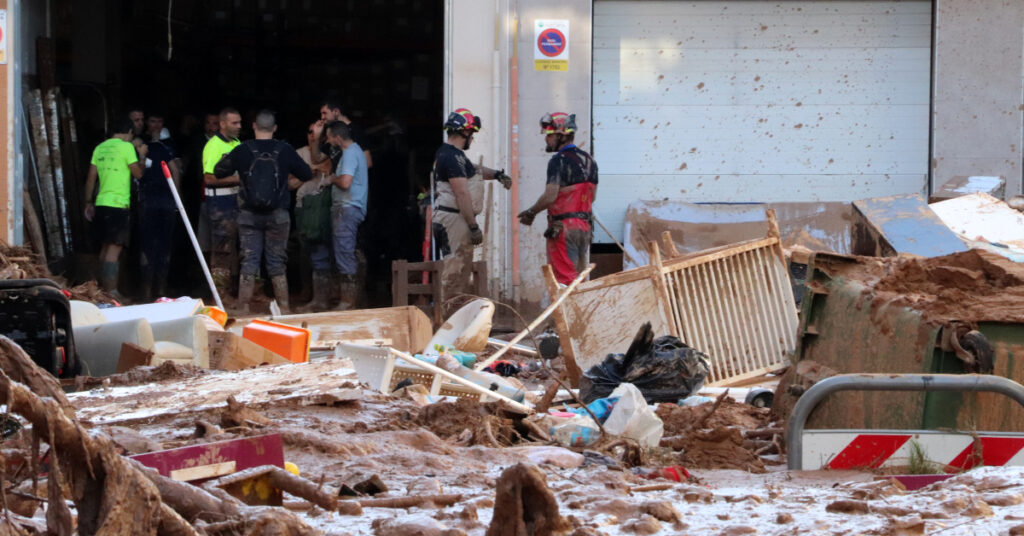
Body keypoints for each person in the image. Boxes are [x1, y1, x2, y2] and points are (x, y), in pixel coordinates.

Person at [214, 110, 312, 314]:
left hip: (248, 215)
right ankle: (284, 307)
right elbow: (306, 173)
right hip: (278, 215)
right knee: (277, 261)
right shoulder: (284, 150)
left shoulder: (242, 149)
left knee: (249, 259)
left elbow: (218, 171)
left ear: (254, 126)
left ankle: (243, 307)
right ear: (275, 128)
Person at [431, 108, 512, 300]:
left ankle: (454, 317)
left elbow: (475, 170)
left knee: (460, 271)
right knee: (454, 273)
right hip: (453, 220)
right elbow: (461, 193)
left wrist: (497, 175)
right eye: (472, 134)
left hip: (455, 219)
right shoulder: (450, 157)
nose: (472, 139)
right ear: (465, 132)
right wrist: (473, 226)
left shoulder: (455, 155)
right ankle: (449, 320)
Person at [518, 112, 598, 285]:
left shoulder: (558, 160)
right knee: (580, 278)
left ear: (562, 134)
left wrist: (531, 212)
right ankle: (580, 312)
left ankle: (564, 312)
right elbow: (593, 196)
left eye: (550, 135)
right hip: (585, 227)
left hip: (563, 228)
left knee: (564, 279)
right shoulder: (590, 160)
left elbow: (550, 196)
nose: (547, 139)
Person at [83, 115, 146, 295]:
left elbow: (90, 179)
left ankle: (101, 292)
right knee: (114, 248)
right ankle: (112, 293)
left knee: (104, 247)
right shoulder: (126, 147)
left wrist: (88, 202)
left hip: (101, 203)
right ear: (129, 132)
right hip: (118, 205)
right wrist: (141, 156)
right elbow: (138, 174)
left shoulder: (99, 148)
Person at [309, 120, 368, 310]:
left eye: (329, 136)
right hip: (350, 207)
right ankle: (350, 300)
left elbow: (345, 182)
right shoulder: (354, 151)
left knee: (344, 252)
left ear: (338, 137)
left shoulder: (350, 154)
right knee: (347, 251)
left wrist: (330, 179)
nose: (328, 140)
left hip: (347, 208)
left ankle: (347, 303)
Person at [138, 114, 183, 300]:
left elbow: (176, 171)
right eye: (153, 120)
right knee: (147, 245)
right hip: (147, 200)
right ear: (147, 124)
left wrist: (177, 199)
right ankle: (146, 290)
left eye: (159, 121)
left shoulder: (168, 146)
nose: (156, 124)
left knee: (164, 245)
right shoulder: (139, 144)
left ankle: (161, 290)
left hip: (165, 200)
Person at [202, 107, 243, 297]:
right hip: (220, 204)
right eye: (235, 123)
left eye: (240, 122)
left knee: (236, 248)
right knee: (221, 249)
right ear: (223, 124)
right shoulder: (213, 145)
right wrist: (238, 180)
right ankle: (220, 294)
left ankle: (233, 290)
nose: (239, 126)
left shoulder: (237, 144)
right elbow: (209, 178)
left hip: (237, 201)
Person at [294, 122, 333, 312]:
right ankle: (307, 290)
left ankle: (323, 298)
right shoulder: (299, 153)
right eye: (309, 132)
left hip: (324, 207)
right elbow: (288, 184)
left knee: (323, 248)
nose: (312, 135)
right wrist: (306, 174)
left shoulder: (330, 152)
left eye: (316, 133)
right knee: (305, 250)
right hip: (304, 207)